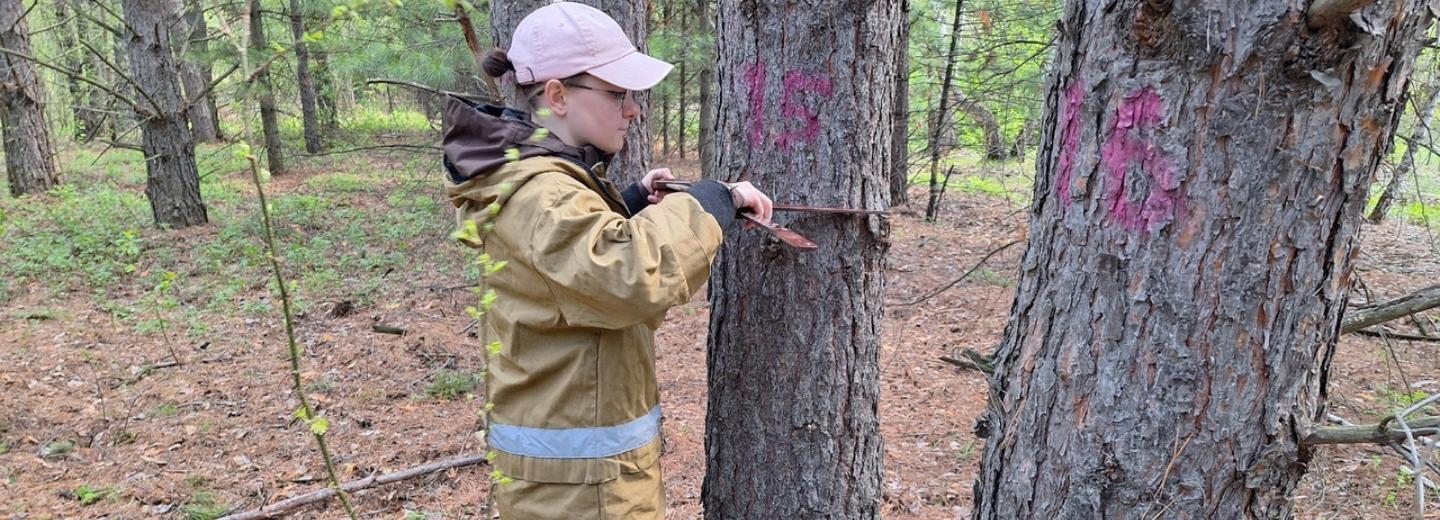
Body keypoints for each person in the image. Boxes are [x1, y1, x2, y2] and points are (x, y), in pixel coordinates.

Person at [441, 2, 772, 519]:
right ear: (557, 95)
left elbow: (568, 263)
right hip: (579, 491)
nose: (633, 109)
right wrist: (710, 203)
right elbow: (626, 276)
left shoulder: (541, 181)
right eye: (617, 93)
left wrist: (633, 202)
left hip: (574, 477)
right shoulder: (543, 194)